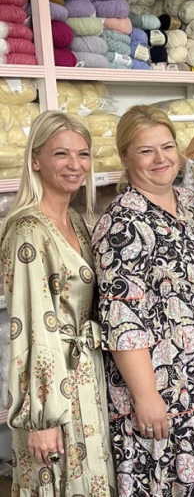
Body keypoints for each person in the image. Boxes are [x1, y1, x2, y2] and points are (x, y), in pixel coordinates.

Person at [91, 105, 194, 495]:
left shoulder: (192, 203)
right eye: (146, 151)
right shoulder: (120, 223)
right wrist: (146, 397)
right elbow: (121, 317)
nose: (161, 159)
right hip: (161, 395)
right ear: (125, 157)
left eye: (167, 147)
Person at [0, 111, 116, 495]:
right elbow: (30, 328)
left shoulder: (77, 221)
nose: (74, 165)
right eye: (61, 154)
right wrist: (43, 418)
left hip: (86, 377)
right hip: (53, 391)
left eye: (82, 154)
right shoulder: (28, 230)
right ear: (35, 160)